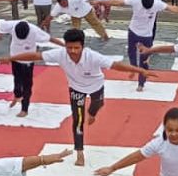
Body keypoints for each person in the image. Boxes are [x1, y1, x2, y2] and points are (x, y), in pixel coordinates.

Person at [10, 29, 154, 167]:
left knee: (98, 104)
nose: (73, 51)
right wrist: (12, 58)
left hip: (96, 85)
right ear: (65, 46)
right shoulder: (60, 54)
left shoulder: (93, 56)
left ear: (83, 46)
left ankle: (92, 113)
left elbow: (116, 65)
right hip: (76, 88)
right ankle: (79, 152)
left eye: (76, 48)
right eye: (69, 48)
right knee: (78, 120)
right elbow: (36, 56)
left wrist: (140, 70)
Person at [93, 0, 178, 92]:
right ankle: (133, 68)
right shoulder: (135, 0)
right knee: (131, 53)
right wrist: (100, 1)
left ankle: (141, 83)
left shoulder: (158, 4)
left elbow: (174, 9)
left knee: (144, 60)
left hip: (146, 35)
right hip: (133, 31)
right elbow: (117, 2)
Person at [0, 16, 63, 115]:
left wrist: (65, 46)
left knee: (27, 84)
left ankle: (24, 108)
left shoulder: (35, 31)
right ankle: (18, 96)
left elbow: (51, 39)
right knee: (17, 79)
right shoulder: (11, 25)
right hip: (14, 58)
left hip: (28, 60)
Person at [45, 0, 112, 42]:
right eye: (61, 4)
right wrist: (43, 25)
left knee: (96, 23)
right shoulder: (58, 7)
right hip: (75, 15)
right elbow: (50, 17)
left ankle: (105, 36)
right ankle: (76, 40)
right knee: (75, 29)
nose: (64, 5)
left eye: (64, 3)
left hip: (86, 10)